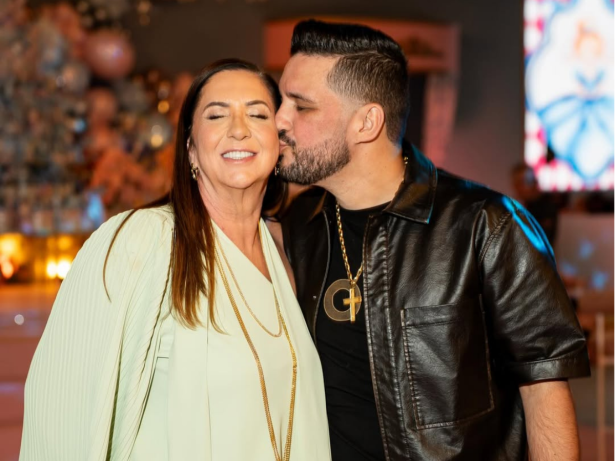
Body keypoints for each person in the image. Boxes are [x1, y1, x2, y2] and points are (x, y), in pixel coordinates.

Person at [273, 20, 590, 461]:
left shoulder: (487, 225)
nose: (279, 119)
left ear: (366, 122)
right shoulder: (300, 226)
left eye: (301, 106)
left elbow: (545, 391)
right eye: (281, 101)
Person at [20, 59, 331, 461]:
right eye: (216, 115)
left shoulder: (287, 251)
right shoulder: (142, 239)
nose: (239, 129)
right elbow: (63, 409)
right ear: (190, 149)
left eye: (257, 114)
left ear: (279, 141)